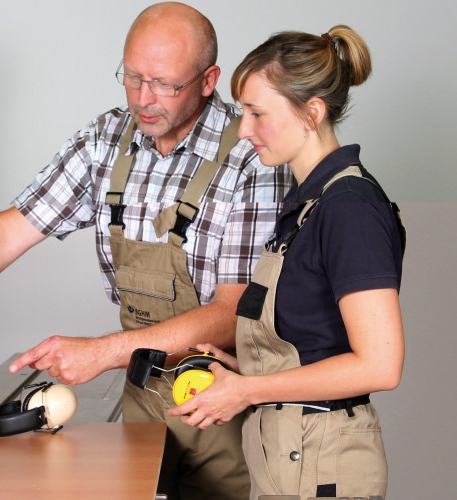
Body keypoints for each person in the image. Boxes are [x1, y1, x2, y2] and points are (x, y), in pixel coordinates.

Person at [0, 3, 291, 499]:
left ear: (208, 80)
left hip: (222, 400)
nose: (143, 98)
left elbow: (233, 314)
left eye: (164, 84)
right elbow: (7, 233)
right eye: (133, 77)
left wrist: (102, 353)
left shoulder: (251, 156)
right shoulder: (106, 140)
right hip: (144, 392)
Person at [169, 25, 406, 499]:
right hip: (290, 459)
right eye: (243, 112)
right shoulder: (304, 205)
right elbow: (316, 343)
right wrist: (243, 370)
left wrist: (247, 392)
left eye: (258, 113)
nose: (244, 130)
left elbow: (380, 365)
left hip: (323, 464)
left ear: (312, 113)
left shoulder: (349, 209)